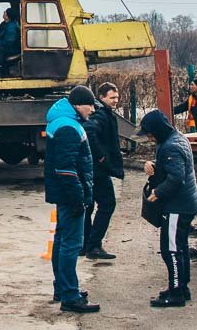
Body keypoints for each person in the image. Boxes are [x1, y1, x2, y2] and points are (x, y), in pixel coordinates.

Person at [43, 86, 101, 314]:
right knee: (71, 244)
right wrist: (78, 199)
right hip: (70, 195)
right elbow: (66, 169)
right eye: (90, 105)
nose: (93, 109)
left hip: (64, 194)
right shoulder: (68, 126)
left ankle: (63, 288)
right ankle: (69, 296)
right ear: (78, 104)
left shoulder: (63, 120)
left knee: (61, 241)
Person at [138, 109, 197, 308]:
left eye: (149, 133)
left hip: (177, 206)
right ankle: (181, 287)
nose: (148, 137)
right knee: (180, 247)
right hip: (186, 204)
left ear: (157, 130)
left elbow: (176, 178)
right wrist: (154, 165)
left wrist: (158, 192)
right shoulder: (176, 139)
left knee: (171, 250)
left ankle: (175, 293)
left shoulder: (170, 147)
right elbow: (173, 167)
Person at [83, 82, 123, 260]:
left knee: (89, 206)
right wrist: (101, 157)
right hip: (98, 170)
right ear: (101, 97)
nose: (116, 100)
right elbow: (89, 132)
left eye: (117, 97)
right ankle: (94, 245)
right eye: (112, 97)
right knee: (107, 204)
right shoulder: (100, 114)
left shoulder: (102, 113)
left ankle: (86, 244)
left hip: (94, 169)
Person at [0, 5, 21, 77]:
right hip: (6, 46)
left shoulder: (11, 27)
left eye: (5, 12)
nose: (4, 12)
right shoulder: (4, 23)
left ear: (8, 16)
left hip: (12, 49)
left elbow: (9, 42)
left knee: (0, 48)